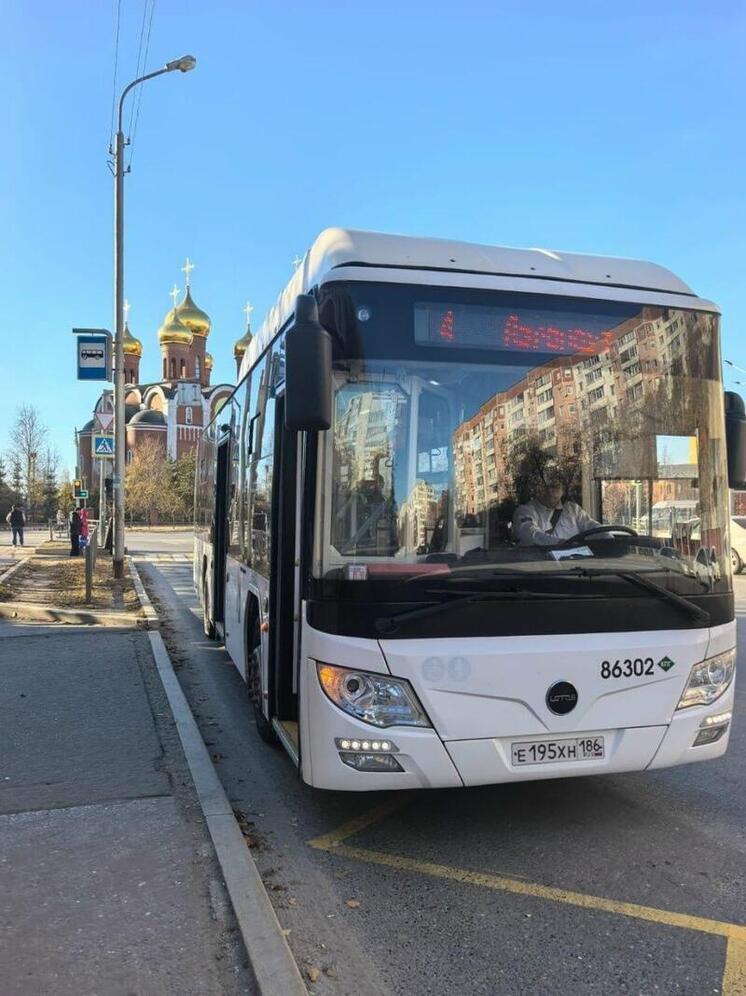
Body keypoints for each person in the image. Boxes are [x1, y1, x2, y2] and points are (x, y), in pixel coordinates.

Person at [512, 468, 600, 546]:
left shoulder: (573, 510)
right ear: (537, 489)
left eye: (555, 487)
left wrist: (610, 539)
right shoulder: (525, 511)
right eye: (545, 486)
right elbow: (529, 534)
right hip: (540, 562)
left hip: (575, 561)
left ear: (563, 491)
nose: (550, 491)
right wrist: (560, 543)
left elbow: (593, 528)